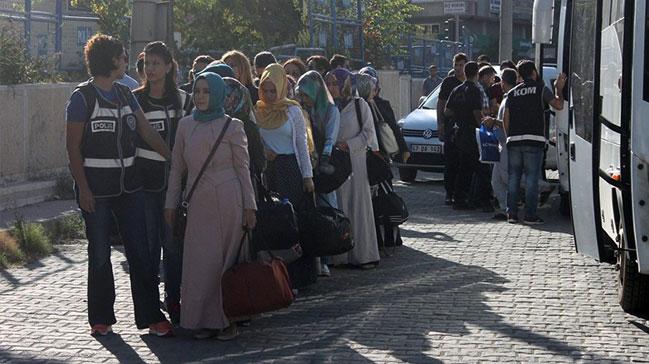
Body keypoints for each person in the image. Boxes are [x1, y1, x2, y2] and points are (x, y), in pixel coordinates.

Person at [65, 33, 173, 337]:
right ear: (111, 60)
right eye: (124, 56)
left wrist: (173, 159)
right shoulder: (81, 98)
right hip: (96, 191)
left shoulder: (126, 95)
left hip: (129, 189)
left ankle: (152, 316)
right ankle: (101, 317)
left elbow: (148, 133)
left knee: (141, 251)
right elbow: (73, 149)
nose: (128, 61)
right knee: (99, 253)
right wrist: (83, 189)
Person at [164, 72, 257, 340]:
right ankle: (201, 320)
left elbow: (243, 168)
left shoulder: (233, 126)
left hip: (229, 200)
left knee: (223, 264)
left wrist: (250, 207)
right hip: (197, 201)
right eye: (198, 91)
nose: (201, 97)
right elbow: (177, 169)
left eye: (207, 91)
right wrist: (170, 204)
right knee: (198, 264)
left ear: (217, 94)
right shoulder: (185, 125)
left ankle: (226, 320)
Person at [132, 41, 192, 325]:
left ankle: (174, 297)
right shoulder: (135, 99)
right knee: (148, 243)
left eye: (157, 63)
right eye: (147, 63)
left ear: (169, 66)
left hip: (174, 183)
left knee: (172, 244)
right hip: (144, 181)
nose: (151, 69)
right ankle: (150, 301)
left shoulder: (181, 99)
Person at [256, 63, 316, 290]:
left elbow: (301, 144)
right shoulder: (257, 110)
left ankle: (297, 276)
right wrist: (263, 152)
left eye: (274, 90)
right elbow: (254, 140)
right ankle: (275, 277)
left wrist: (307, 176)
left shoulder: (293, 111)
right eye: (265, 90)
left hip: (290, 169)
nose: (270, 96)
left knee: (292, 222)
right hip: (268, 172)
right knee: (272, 224)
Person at [325, 68, 380, 268]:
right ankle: (339, 254)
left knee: (358, 206)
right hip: (335, 163)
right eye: (328, 83)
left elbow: (368, 134)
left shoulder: (360, 105)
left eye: (334, 84)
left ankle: (363, 255)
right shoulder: (328, 107)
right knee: (339, 205)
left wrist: (349, 144)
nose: (331, 88)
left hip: (355, 163)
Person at [503, 60, 566, 224]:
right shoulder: (541, 89)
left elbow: (506, 118)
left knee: (513, 178)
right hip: (534, 140)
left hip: (514, 140)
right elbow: (558, 105)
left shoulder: (512, 93)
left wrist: (509, 137)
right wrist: (559, 89)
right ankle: (530, 215)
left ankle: (512, 214)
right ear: (534, 72)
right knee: (531, 178)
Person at [296, 70, 341, 277]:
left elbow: (330, 139)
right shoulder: (302, 112)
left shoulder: (330, 111)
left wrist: (322, 162)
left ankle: (326, 258)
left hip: (323, 169)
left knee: (326, 210)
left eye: (306, 95)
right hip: (307, 168)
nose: (303, 99)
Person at [444, 61, 485, 211]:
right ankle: (470, 199)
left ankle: (458, 197)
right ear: (477, 74)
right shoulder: (475, 90)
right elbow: (476, 112)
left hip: (457, 132)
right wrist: (483, 126)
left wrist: (459, 113)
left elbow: (447, 111)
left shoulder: (456, 89)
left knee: (461, 167)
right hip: (470, 133)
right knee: (474, 167)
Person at [482, 68, 518, 220]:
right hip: (501, 142)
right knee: (496, 180)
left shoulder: (512, 97)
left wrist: (494, 121)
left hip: (507, 143)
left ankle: (540, 187)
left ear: (503, 81)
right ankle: (504, 208)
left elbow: (507, 122)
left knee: (506, 177)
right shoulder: (506, 97)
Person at [223, 76, 266, 199]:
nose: (228, 101)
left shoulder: (247, 126)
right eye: (225, 96)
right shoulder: (248, 125)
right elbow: (260, 161)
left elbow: (259, 160)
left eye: (232, 97)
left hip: (241, 186)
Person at [437, 53, 468, 205]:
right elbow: (441, 103)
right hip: (451, 126)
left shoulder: (471, 83)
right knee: (450, 161)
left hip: (467, 129)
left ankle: (461, 193)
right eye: (456, 65)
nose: (458, 68)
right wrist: (440, 123)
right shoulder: (448, 82)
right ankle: (449, 193)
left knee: (465, 162)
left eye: (461, 65)